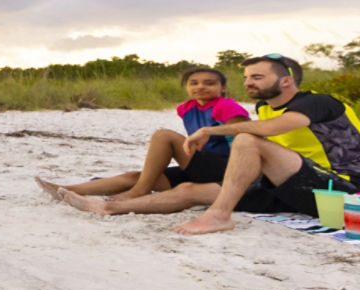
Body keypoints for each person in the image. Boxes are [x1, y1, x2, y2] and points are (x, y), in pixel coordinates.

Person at [56, 55, 360, 235]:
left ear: (286, 81)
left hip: (350, 197)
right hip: (298, 194)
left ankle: (219, 216)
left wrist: (210, 130)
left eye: (257, 77)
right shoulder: (265, 108)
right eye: (248, 77)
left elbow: (272, 129)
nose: (249, 83)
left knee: (247, 139)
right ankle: (109, 206)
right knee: (188, 191)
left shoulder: (319, 102)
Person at [36, 67, 249, 201]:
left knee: (163, 136)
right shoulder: (186, 108)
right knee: (136, 176)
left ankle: (139, 192)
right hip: (200, 167)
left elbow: (245, 137)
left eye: (209, 83)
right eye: (194, 83)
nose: (200, 87)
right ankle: (69, 190)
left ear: (223, 88)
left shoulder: (226, 106)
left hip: (226, 169)